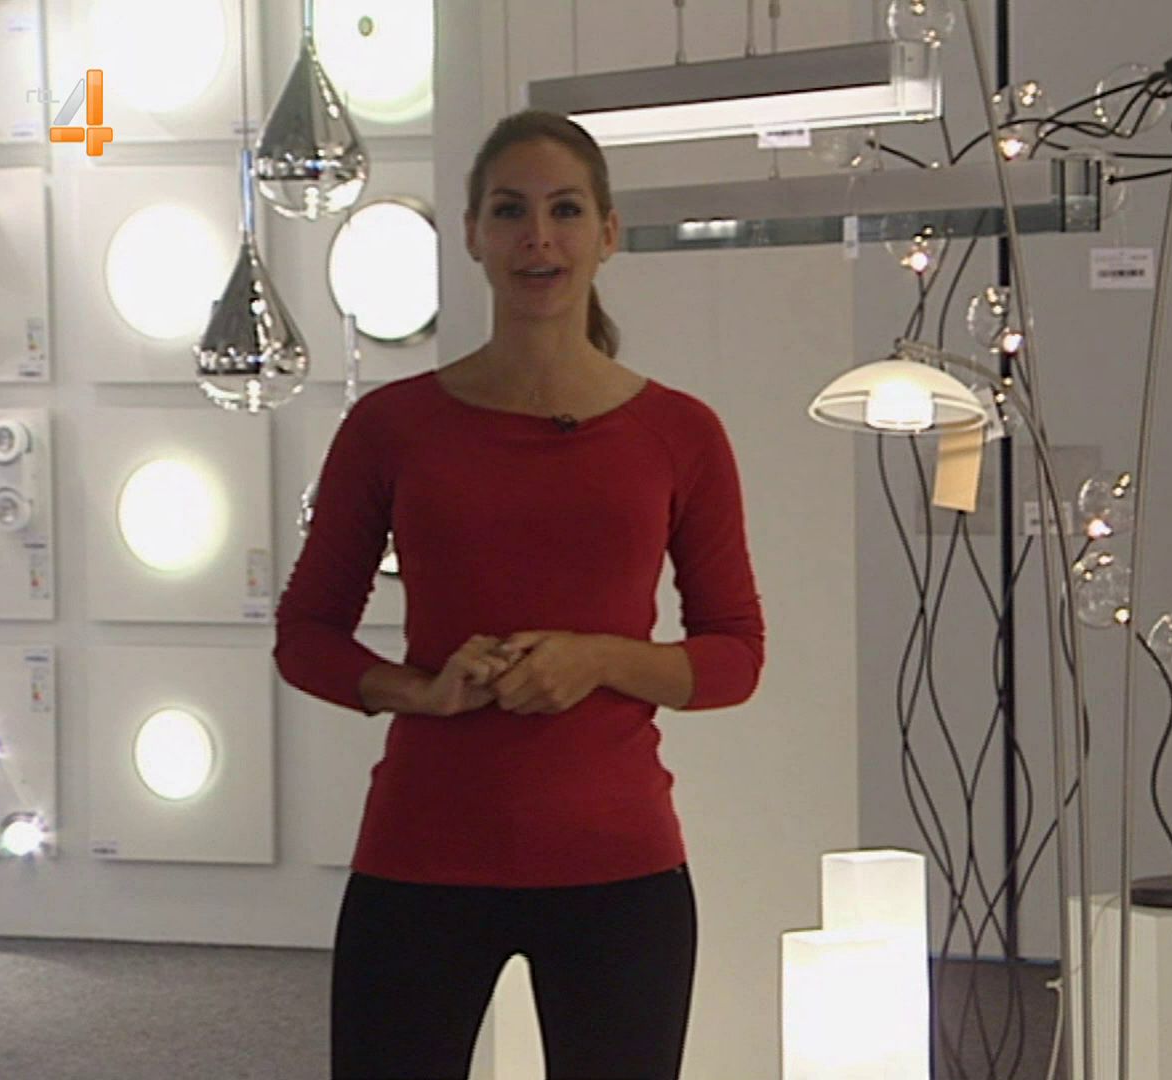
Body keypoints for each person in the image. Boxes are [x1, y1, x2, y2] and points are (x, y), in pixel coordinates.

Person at [274, 109, 766, 1080]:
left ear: (607, 233)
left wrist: (600, 660)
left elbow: (735, 655)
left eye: (565, 210)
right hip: (421, 856)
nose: (538, 237)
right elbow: (306, 634)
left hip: (618, 867)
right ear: (472, 234)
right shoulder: (392, 428)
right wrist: (421, 692)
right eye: (510, 211)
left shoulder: (680, 433)